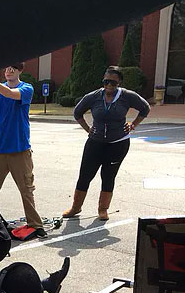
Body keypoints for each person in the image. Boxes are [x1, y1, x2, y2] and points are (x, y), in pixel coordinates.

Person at [63, 66, 150, 221]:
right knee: (85, 175)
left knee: (108, 176)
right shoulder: (94, 96)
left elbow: (145, 108)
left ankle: (103, 209)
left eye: (113, 83)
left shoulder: (127, 96)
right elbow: (77, 112)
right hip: (95, 142)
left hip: (118, 143)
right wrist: (88, 129)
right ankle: (76, 207)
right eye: (106, 81)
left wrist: (133, 124)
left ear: (119, 83)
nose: (109, 85)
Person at [0, 64, 46, 241]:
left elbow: (10, 94)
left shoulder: (26, 89)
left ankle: (35, 224)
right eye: (7, 68)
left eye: (13, 69)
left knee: (26, 189)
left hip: (20, 149)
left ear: (20, 71)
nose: (9, 71)